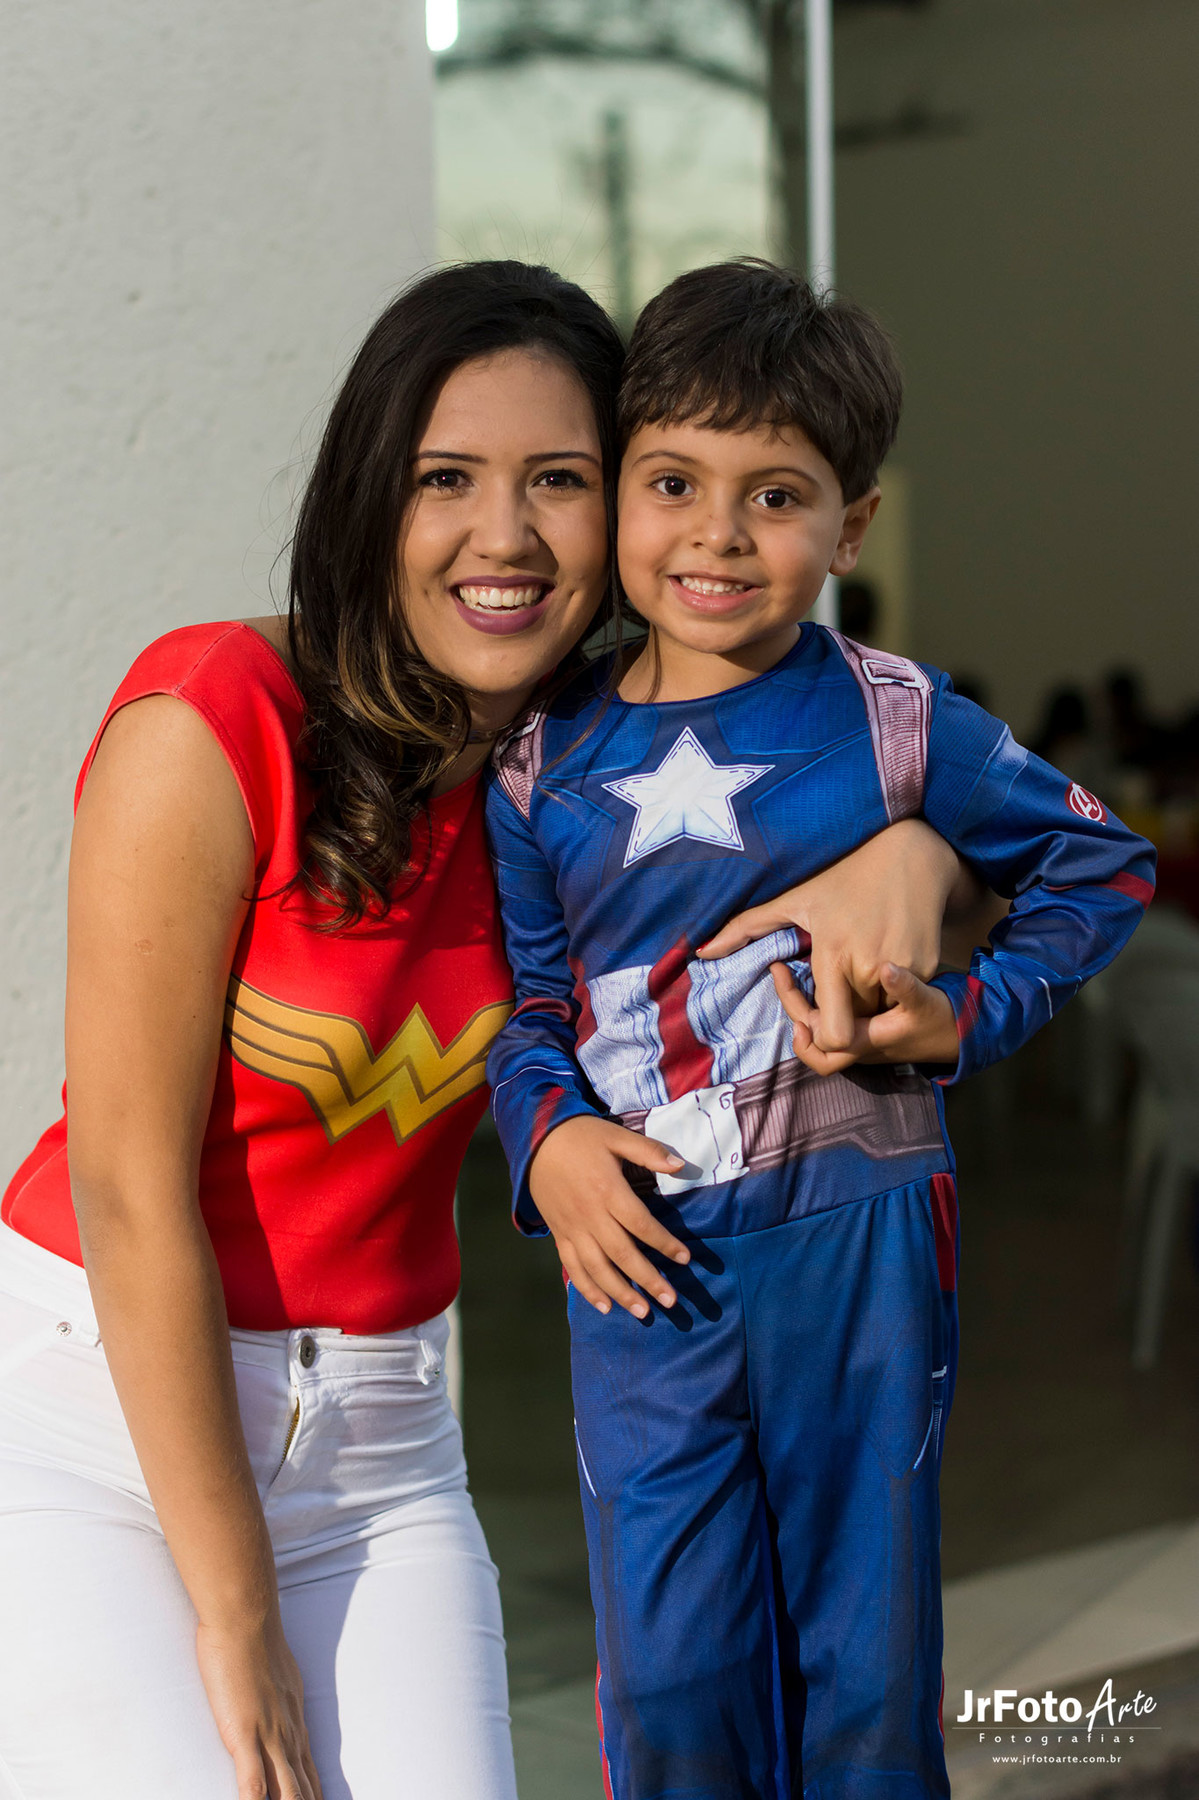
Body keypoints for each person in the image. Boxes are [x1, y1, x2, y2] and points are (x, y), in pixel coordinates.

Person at [0, 260, 978, 1800]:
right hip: (98, 1422)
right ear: (368, 497)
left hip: (384, 1441)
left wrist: (920, 854)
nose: (504, 537)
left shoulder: (589, 778)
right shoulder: (215, 721)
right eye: (446, 478)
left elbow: (911, 789)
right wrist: (236, 1610)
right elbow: (128, 1193)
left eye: (561, 482)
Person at [484, 259, 1156, 1800]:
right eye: (673, 483)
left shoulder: (901, 717)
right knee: (669, 1673)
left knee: (863, 1664)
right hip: (643, 1254)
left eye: (774, 496)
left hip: (861, 1235)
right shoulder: (537, 756)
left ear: (850, 527)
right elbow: (520, 1008)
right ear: (616, 492)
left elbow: (1098, 863)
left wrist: (966, 1018)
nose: (717, 534)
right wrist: (552, 1141)